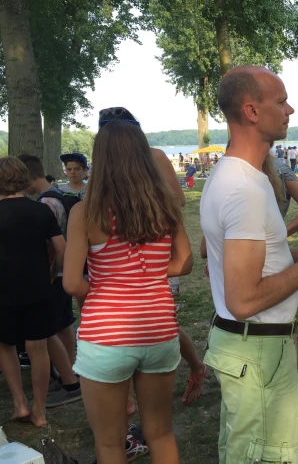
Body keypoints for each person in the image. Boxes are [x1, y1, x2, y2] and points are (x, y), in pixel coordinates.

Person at [200, 66, 298, 464]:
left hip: (248, 347)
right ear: (252, 111)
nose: (290, 109)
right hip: (256, 351)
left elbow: (247, 269)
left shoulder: (237, 176)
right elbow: (243, 299)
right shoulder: (244, 188)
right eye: (281, 101)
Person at [63, 119, 192, 464]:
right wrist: (145, 277)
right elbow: (184, 262)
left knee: (109, 443)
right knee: (161, 433)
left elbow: (72, 283)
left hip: (106, 336)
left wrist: (113, 283)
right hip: (160, 330)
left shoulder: (84, 212)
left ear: (99, 159)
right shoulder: (165, 205)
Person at [96, 107, 206, 408]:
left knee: (164, 321)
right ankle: (129, 395)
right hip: (117, 251)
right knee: (123, 328)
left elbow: (179, 199)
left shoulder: (154, 156)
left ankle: (196, 366)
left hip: (156, 246)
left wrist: (144, 200)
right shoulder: (103, 161)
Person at [0, 157, 66, 427]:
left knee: (5, 347)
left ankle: (19, 403)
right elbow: (62, 249)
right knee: (38, 348)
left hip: (2, 291)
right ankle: (39, 410)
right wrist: (53, 273)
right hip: (38, 287)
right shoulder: (41, 210)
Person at [17, 154, 82, 408]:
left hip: (56, 272)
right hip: (66, 268)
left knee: (54, 326)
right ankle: (70, 369)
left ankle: (67, 375)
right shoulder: (58, 194)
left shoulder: (46, 203)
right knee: (63, 323)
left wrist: (51, 271)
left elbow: (53, 244)